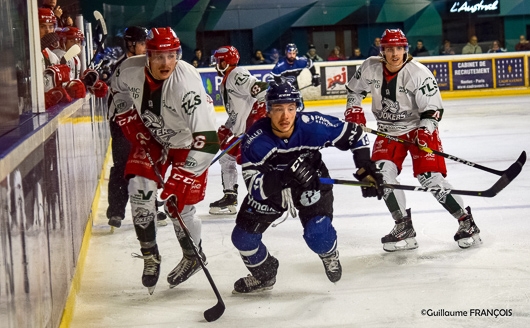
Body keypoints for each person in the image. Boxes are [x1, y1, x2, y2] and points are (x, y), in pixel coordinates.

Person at [230, 80, 383, 293]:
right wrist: (285, 175)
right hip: (272, 192)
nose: (285, 116)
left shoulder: (314, 125)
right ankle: (265, 274)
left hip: (312, 183)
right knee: (243, 238)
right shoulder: (255, 140)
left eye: (290, 109)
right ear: (268, 110)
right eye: (278, 109)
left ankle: (328, 253)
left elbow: (355, 134)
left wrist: (365, 167)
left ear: (298, 108)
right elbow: (255, 188)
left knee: (318, 235)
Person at [343, 28, 482, 252]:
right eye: (389, 49)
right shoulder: (370, 66)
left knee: (429, 177)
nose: (395, 53)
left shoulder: (419, 73)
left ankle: (466, 221)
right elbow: (354, 91)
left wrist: (425, 132)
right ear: (382, 51)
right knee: (381, 175)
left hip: (418, 129)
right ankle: (403, 226)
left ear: (406, 49)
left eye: (399, 48)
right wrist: (354, 111)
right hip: (387, 131)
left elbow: (434, 109)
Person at [111, 27, 219, 293]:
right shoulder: (129, 69)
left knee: (177, 207)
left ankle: (193, 256)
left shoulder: (186, 86)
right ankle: (150, 256)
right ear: (147, 55)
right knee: (138, 190)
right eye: (159, 56)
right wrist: (127, 115)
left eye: (172, 55)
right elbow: (117, 87)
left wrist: (182, 177)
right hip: (154, 137)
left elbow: (208, 141)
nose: (166, 63)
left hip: (189, 143)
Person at [106, 26, 158, 230]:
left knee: (149, 163)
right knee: (122, 165)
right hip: (121, 122)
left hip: (144, 121)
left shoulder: (149, 65)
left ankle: (152, 205)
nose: (146, 48)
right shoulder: (123, 67)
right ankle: (117, 211)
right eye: (143, 43)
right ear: (130, 44)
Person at [209, 46, 269, 215]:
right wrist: (227, 128)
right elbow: (237, 112)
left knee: (252, 165)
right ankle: (230, 196)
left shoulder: (236, 74)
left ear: (225, 62)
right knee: (226, 159)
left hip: (252, 132)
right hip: (242, 131)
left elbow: (263, 90)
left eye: (218, 61)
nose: (215, 65)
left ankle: (263, 199)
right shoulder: (228, 80)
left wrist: (256, 120)